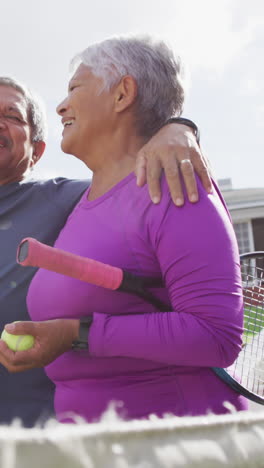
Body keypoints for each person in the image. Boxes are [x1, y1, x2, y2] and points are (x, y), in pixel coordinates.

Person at [0, 40, 228, 425]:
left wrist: (178, 128)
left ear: (37, 151)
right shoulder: (90, 204)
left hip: (55, 433)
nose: (62, 105)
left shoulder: (74, 199)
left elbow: (214, 331)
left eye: (12, 115)